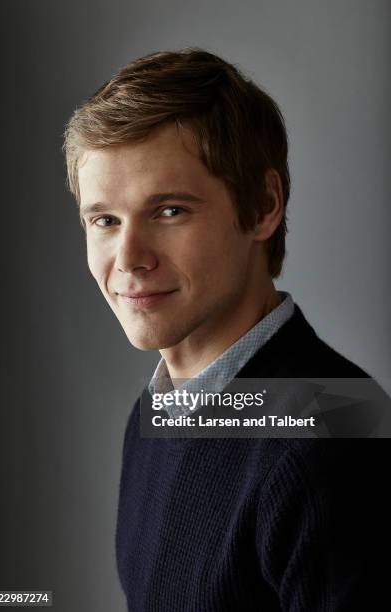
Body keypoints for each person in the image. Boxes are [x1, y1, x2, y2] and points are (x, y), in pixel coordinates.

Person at [63, 49, 390, 611]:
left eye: (169, 211)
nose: (129, 258)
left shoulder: (337, 439)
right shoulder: (154, 417)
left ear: (263, 206)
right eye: (105, 220)